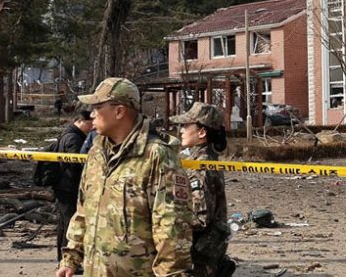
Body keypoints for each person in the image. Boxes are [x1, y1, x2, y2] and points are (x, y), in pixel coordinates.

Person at [56, 77, 193, 277]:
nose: (92, 115)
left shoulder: (156, 155)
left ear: (119, 111)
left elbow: (173, 229)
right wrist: (71, 259)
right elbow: (84, 211)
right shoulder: (97, 153)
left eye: (98, 107)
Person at [172, 102, 236, 277]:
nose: (181, 130)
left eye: (186, 126)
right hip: (205, 251)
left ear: (202, 132)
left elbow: (200, 218)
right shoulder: (200, 159)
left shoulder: (200, 165)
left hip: (200, 254)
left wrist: (167, 223)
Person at [53, 110, 94, 262]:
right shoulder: (74, 138)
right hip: (69, 186)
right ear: (81, 121)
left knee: (64, 224)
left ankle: (62, 258)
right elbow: (76, 164)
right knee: (70, 224)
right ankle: (66, 259)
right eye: (89, 124)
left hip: (64, 185)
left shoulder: (68, 134)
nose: (91, 127)